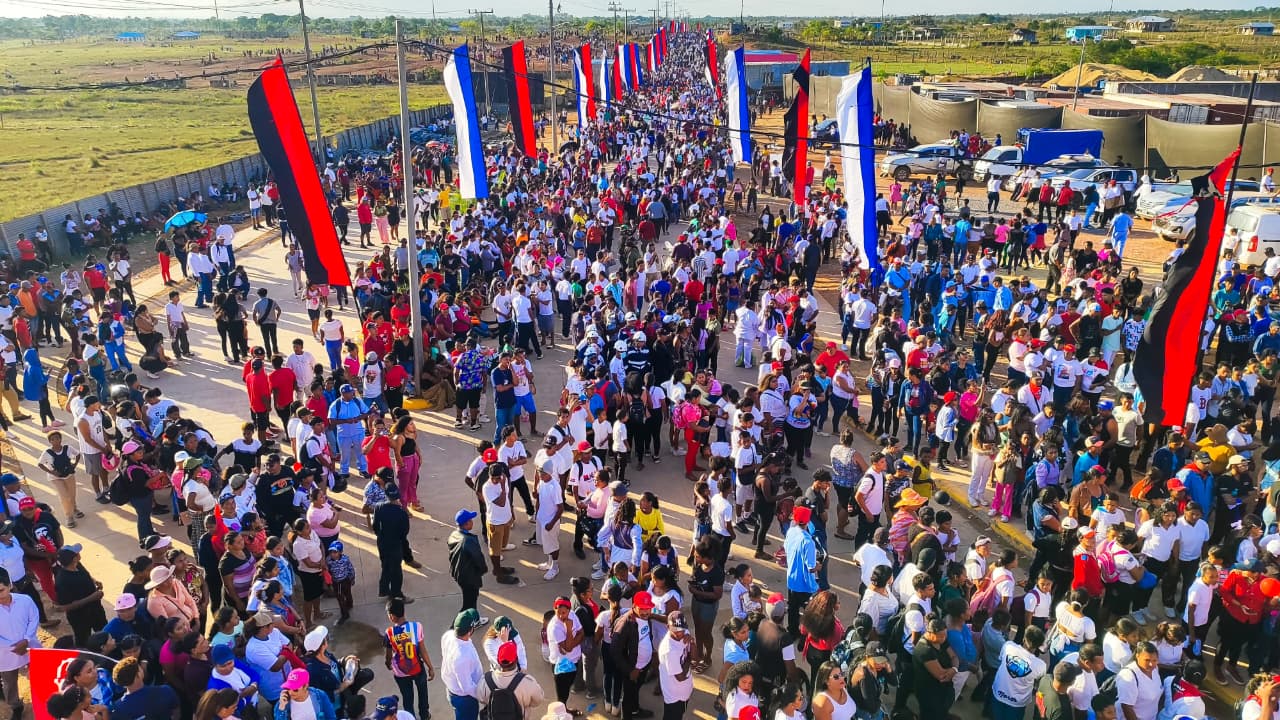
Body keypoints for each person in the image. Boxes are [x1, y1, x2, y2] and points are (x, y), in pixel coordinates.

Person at [385, 597, 436, 719]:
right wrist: (430, 667)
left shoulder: (389, 633)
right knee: (423, 692)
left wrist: (388, 663)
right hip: (417, 668)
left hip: (400, 673)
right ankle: (424, 715)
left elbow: (388, 655)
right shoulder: (417, 627)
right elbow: (422, 650)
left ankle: (410, 716)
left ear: (391, 616)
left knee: (407, 697)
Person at [0, 567, 39, 719]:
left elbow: (33, 619)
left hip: (30, 647)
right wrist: (13, 646)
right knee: (9, 683)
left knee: (39, 674)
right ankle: (16, 706)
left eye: (1, 590)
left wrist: (27, 639)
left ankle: (43, 699)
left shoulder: (25, 600)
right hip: (5, 654)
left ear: (9, 585)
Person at [476, 640, 546, 719]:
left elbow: (480, 698)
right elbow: (538, 700)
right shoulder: (527, 682)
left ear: (498, 660)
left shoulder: (485, 681)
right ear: (516, 660)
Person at [441, 608, 485, 720]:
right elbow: (467, 687)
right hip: (465, 699)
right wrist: (483, 695)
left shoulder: (448, 635)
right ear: (470, 631)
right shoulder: (462, 657)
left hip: (452, 690)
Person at [373, 483, 412, 603]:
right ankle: (397, 594)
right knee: (396, 570)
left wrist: (381, 535)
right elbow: (405, 531)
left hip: (382, 542)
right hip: (395, 544)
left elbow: (375, 526)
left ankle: (384, 589)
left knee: (385, 565)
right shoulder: (402, 513)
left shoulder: (379, 507)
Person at [448, 508, 490, 618]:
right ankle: (470, 621)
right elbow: (478, 558)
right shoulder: (468, 541)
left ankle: (470, 618)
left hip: (459, 573)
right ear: (466, 524)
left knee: (469, 598)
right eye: (470, 520)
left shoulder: (454, 535)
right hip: (469, 577)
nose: (472, 522)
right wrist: (483, 569)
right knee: (470, 602)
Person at [657, 611, 694, 720]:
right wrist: (689, 660)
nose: (679, 633)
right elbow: (680, 677)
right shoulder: (669, 651)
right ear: (668, 627)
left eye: (681, 630)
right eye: (675, 630)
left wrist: (692, 641)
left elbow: (696, 658)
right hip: (674, 696)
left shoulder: (685, 632)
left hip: (684, 692)